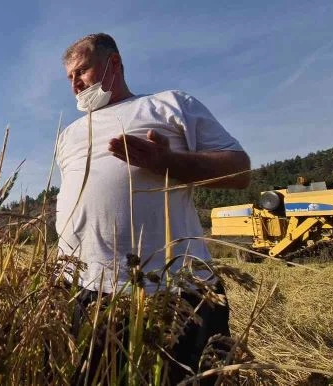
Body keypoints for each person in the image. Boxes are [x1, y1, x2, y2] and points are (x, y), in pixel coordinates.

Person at [55, 33, 250, 384]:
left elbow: (240, 169)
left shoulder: (169, 105)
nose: (75, 84)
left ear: (114, 64)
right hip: (88, 291)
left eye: (82, 71)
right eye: (69, 77)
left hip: (176, 291)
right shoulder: (68, 134)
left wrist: (168, 161)